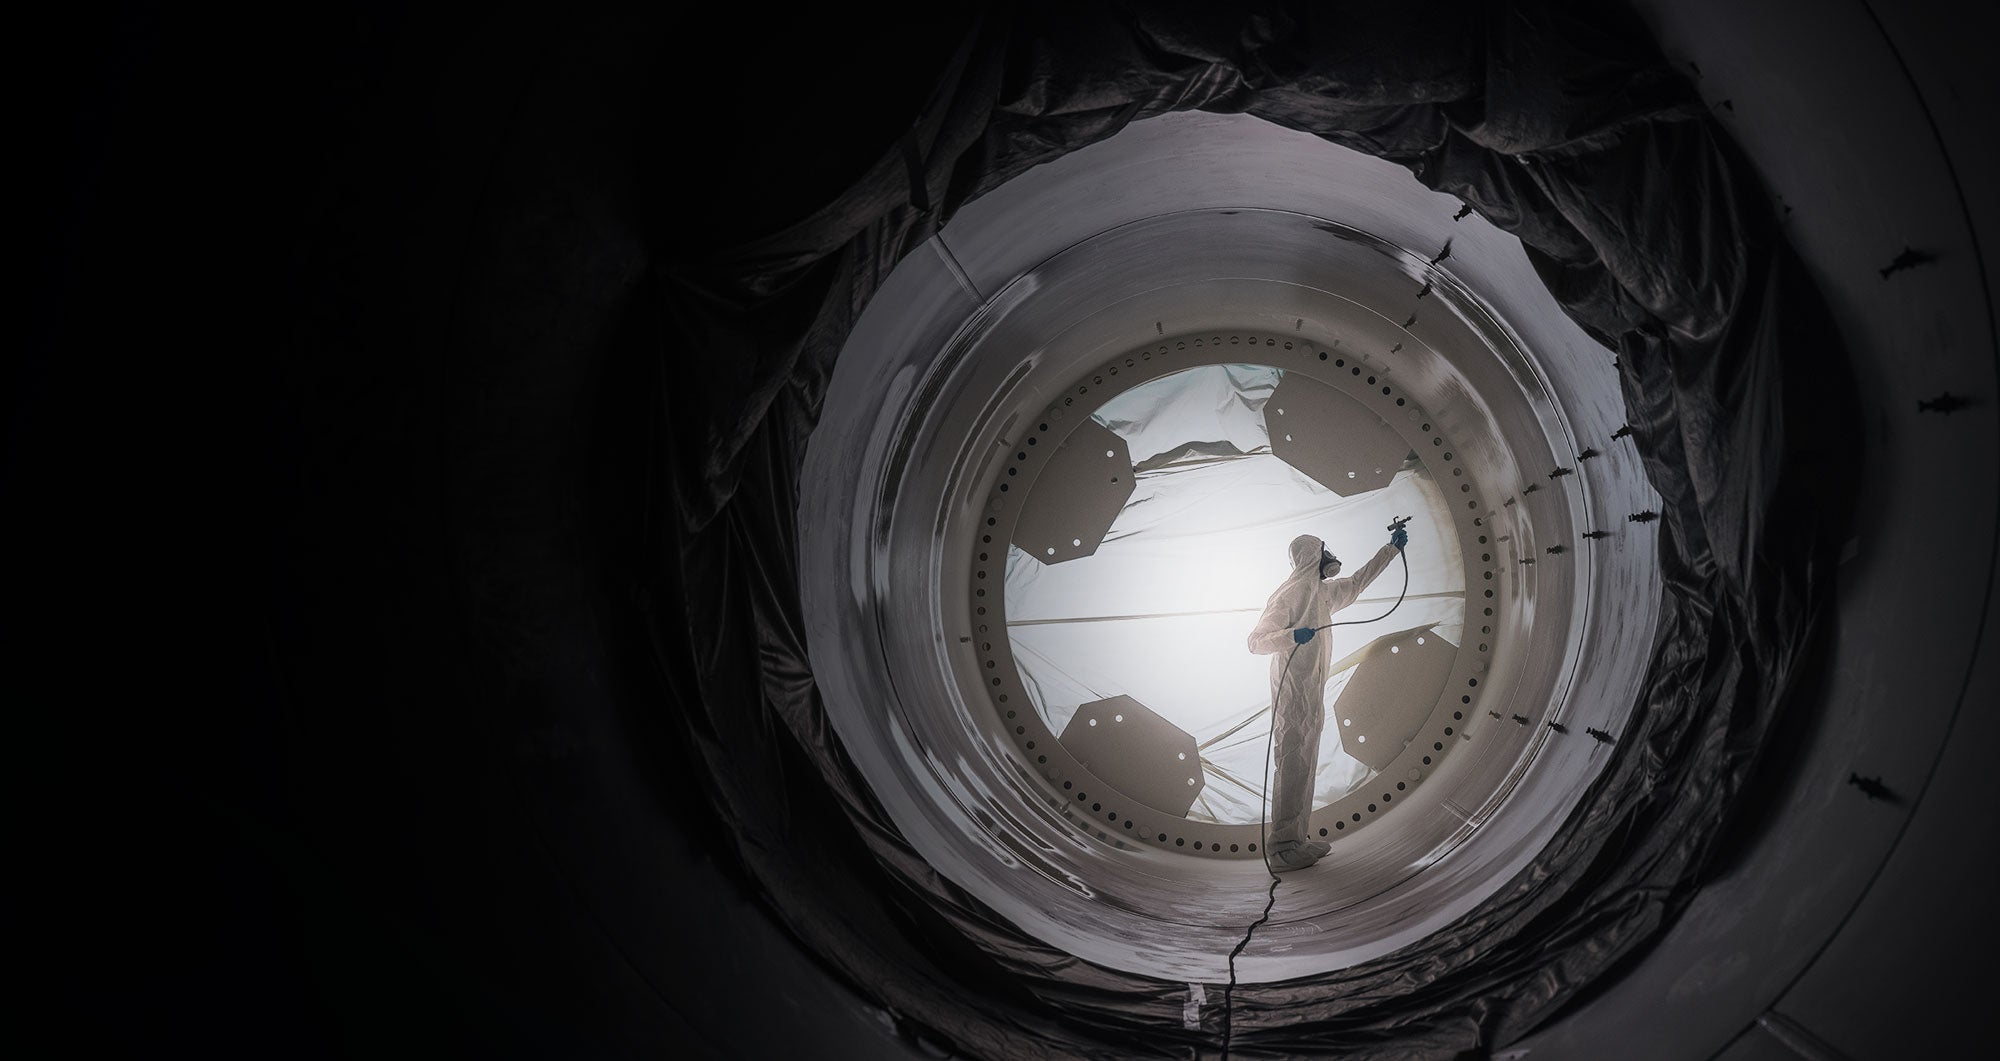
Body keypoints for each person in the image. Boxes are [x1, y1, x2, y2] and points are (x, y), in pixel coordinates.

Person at [1245, 522, 1408, 871]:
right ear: (1311, 554)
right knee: (1292, 763)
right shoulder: (1289, 594)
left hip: (1311, 691)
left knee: (1305, 764)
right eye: (1323, 549)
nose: (1329, 556)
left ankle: (1297, 839)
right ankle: (1282, 847)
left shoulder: (1324, 594)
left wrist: (1392, 549)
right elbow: (1256, 642)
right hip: (1291, 690)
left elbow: (1359, 581)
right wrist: (1292, 634)